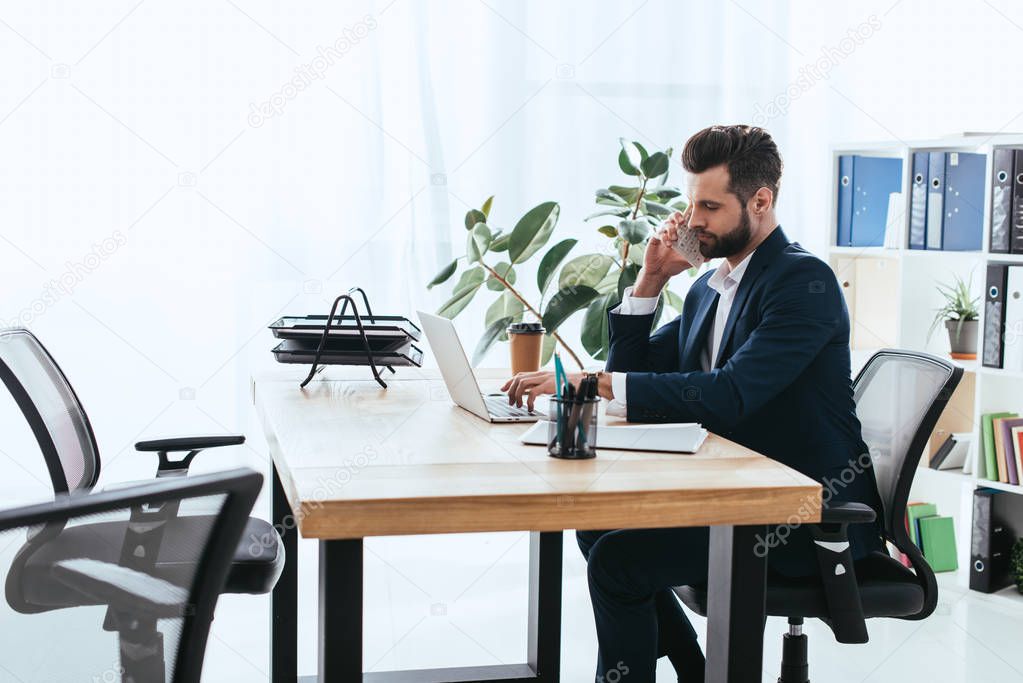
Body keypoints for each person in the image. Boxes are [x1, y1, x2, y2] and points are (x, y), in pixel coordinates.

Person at [502, 125, 884, 683]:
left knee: (619, 562)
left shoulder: (803, 282)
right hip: (739, 496)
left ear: (760, 201)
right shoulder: (713, 286)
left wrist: (599, 382)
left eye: (709, 205)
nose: (693, 219)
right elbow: (643, 372)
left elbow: (730, 394)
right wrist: (651, 281)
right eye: (690, 203)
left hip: (798, 515)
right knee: (597, 530)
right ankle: (694, 672)